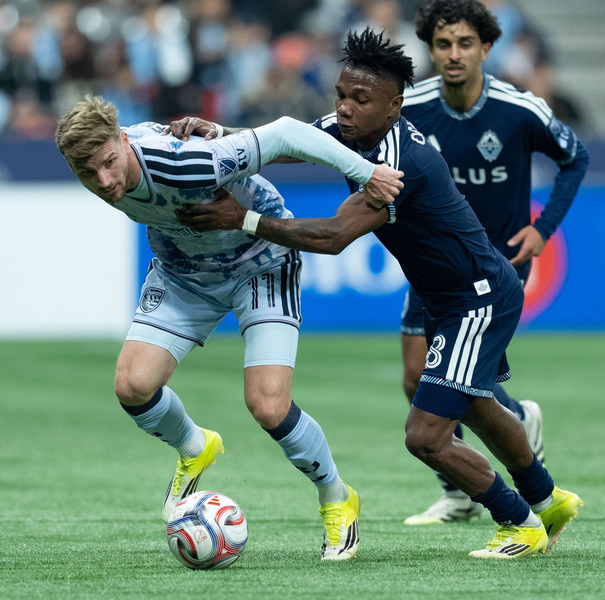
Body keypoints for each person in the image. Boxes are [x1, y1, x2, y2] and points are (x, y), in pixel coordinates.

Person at [177, 28, 583, 559]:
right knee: (479, 408)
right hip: (455, 294)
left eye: (359, 100)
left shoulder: (398, 165)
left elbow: (332, 237)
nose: (344, 109)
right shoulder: (353, 129)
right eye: (341, 96)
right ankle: (549, 500)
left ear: (394, 107)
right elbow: (290, 142)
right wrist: (221, 133)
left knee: (426, 436)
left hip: (475, 296)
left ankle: (519, 523)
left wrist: (244, 218)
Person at [54, 95, 404, 560]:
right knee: (132, 385)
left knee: (268, 406)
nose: (103, 181)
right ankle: (194, 446)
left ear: (122, 141)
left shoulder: (183, 164)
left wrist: (367, 172)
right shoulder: (110, 157)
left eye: (108, 164)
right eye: (87, 173)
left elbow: (283, 131)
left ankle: (337, 497)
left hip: (259, 261)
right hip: (185, 274)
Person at [397, 0, 589, 525]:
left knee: (460, 377)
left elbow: (576, 158)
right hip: (433, 262)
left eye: (464, 43)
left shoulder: (518, 108)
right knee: (418, 379)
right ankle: (469, 479)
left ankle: (511, 460)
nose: (453, 54)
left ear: (485, 47)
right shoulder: (410, 106)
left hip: (494, 267)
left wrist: (543, 228)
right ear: (430, 49)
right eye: (442, 44)